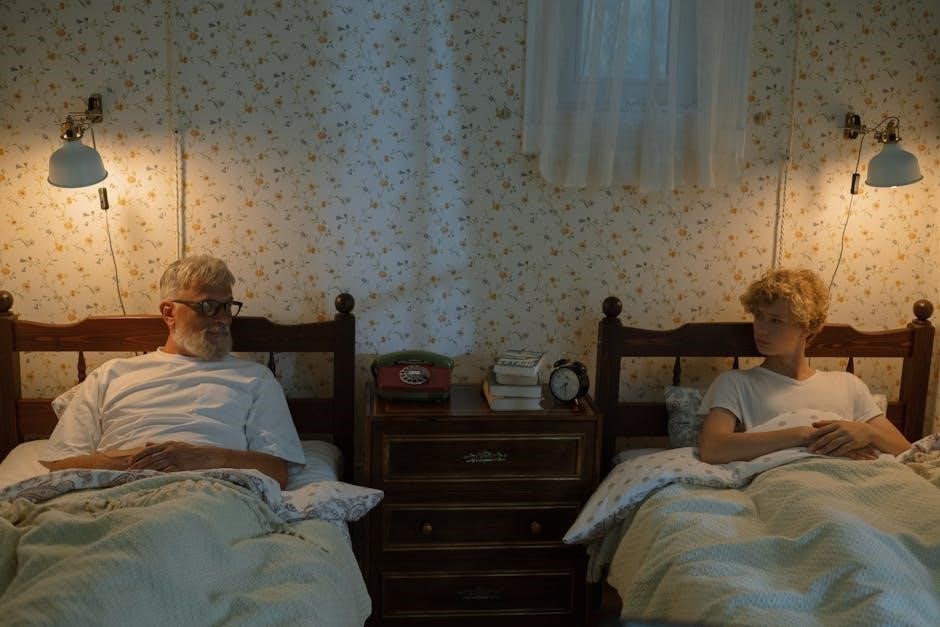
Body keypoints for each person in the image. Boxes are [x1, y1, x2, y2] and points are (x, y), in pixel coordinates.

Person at [40, 255, 304, 488]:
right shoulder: (111, 374)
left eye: (227, 306)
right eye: (208, 306)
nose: (223, 318)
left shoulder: (255, 378)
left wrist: (207, 457)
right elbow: (61, 466)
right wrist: (134, 462)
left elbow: (277, 471)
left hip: (213, 493)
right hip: (117, 492)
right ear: (169, 313)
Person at [697, 267, 911, 465]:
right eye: (759, 317)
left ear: (807, 328)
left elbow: (906, 451)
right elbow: (712, 449)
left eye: (775, 321)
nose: (761, 329)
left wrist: (868, 433)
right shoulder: (735, 383)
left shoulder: (847, 384)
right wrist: (802, 435)